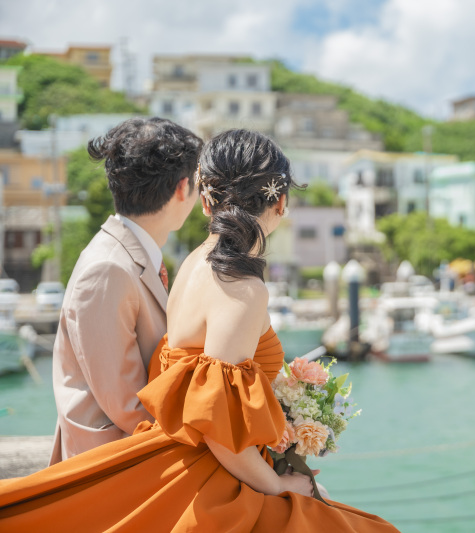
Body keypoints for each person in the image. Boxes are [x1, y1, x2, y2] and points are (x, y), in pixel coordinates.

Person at [0, 130, 400, 532]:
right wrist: (279, 484)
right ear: (281, 202)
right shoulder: (242, 288)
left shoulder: (192, 263)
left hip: (181, 458)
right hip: (208, 476)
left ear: (206, 201)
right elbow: (219, 429)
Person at [50, 117, 203, 465]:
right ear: (182, 188)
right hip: (112, 466)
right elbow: (127, 405)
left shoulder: (127, 255)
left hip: (142, 448)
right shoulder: (108, 268)